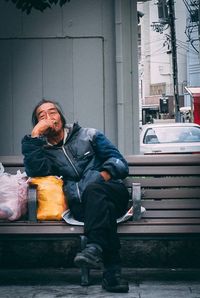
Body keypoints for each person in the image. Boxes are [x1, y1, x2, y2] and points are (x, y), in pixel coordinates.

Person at [21, 99, 130, 293]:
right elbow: (36, 171)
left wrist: (101, 177)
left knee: (96, 192)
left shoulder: (89, 135)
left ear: (61, 117)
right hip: (82, 206)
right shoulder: (44, 151)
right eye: (42, 116)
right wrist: (35, 136)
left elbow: (119, 162)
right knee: (105, 210)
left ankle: (95, 248)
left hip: (111, 191)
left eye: (52, 112)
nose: (49, 118)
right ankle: (110, 273)